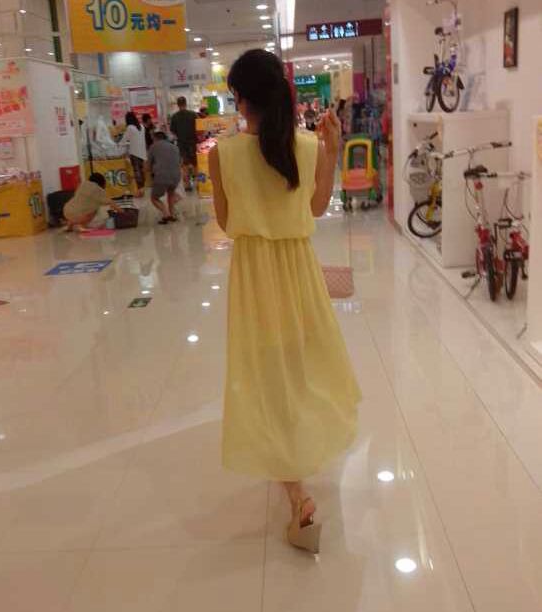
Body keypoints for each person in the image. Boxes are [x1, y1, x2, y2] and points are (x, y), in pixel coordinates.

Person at [209, 49, 361, 555]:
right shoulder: (307, 147)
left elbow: (226, 223)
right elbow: (315, 208)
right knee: (302, 367)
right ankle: (298, 475)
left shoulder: (222, 154)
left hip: (254, 277)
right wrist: (331, 153)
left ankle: (296, 491)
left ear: (240, 99)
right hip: (299, 272)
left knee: (266, 375)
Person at [147, 131, 182, 225]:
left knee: (154, 198)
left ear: (155, 138)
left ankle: (166, 214)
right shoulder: (174, 147)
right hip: (176, 175)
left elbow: (148, 165)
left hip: (161, 175)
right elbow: (180, 162)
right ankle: (172, 214)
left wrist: (149, 174)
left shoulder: (153, 147)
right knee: (171, 194)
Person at [170, 96, 198, 191]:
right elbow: (199, 128)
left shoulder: (174, 117)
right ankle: (199, 184)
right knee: (196, 164)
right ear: (186, 103)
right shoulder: (193, 114)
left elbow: (173, 131)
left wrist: (179, 134)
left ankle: (187, 185)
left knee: (184, 165)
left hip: (181, 144)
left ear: (178, 105)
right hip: (193, 143)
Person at [122, 111, 147, 197]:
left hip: (135, 153)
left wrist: (118, 144)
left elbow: (124, 139)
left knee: (137, 172)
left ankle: (140, 191)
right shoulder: (142, 127)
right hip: (142, 153)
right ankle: (142, 190)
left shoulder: (130, 128)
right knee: (142, 172)